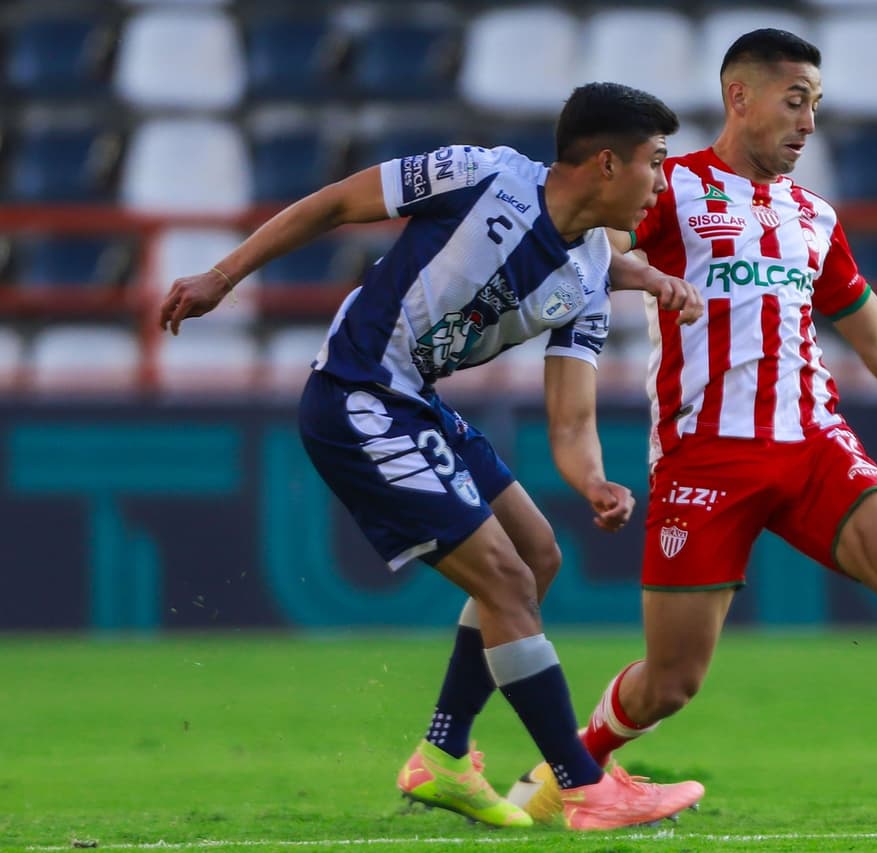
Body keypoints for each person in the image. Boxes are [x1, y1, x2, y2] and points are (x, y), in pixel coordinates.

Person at [508, 30, 877, 823]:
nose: (809, 122)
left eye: (816, 104)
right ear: (739, 98)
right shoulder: (667, 187)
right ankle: (564, 767)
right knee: (672, 680)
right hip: (704, 457)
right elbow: (594, 248)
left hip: (813, 442)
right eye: (796, 100)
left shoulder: (815, 216)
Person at [158, 82, 706, 832]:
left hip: (414, 399)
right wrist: (223, 276)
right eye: (655, 162)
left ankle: (443, 756)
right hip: (357, 395)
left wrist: (594, 480)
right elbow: (332, 204)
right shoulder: (479, 175)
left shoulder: (586, 280)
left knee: (537, 554)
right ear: (607, 164)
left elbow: (570, 418)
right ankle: (583, 783)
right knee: (508, 577)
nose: (661, 182)